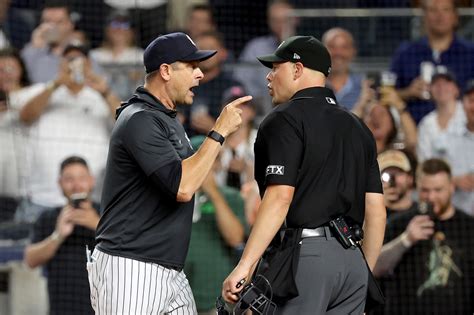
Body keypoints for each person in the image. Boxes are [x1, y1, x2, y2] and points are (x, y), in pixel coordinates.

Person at [87, 32, 251, 314]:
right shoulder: (140, 118)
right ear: (165, 71)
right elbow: (183, 187)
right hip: (130, 266)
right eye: (191, 66)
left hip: (169, 269)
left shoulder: (166, 118)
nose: (200, 74)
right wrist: (220, 130)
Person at [222, 35, 386, 314]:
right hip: (352, 261)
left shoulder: (284, 118)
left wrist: (245, 265)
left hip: (306, 257)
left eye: (276, 68)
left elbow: (280, 196)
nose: (269, 78)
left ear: (297, 69)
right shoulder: (357, 126)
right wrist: (362, 271)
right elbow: (377, 210)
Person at [17, 41, 118, 219]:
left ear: (89, 64)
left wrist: (106, 92)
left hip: (90, 199)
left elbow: (127, 122)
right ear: (60, 63)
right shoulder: (44, 90)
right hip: (42, 197)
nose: (74, 65)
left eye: (79, 60)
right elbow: (25, 116)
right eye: (69, 59)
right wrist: (56, 84)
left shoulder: (100, 97)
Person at [373, 158, 474, 314]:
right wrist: (406, 239)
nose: (431, 197)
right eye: (425, 190)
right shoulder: (399, 224)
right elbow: (374, 268)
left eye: (438, 190)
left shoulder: (468, 227)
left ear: (452, 188)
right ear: (417, 189)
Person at [24, 156, 99, 315]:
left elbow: (134, 249)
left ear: (92, 181)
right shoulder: (49, 218)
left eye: (82, 178)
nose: (77, 185)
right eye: (69, 179)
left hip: (103, 308)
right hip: (62, 309)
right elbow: (30, 260)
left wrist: (97, 224)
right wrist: (58, 235)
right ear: (60, 184)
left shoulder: (109, 213)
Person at [185, 135, 247, 314]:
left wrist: (212, 191)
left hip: (216, 300)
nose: (204, 168)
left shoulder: (231, 197)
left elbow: (235, 238)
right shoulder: (178, 196)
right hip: (178, 297)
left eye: (211, 161)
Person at [390, 0, 474, 123]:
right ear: (423, 16)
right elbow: (386, 95)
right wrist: (409, 92)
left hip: (462, 132)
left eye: (445, 9)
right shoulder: (406, 53)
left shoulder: (470, 53)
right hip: (414, 131)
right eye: (433, 10)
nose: (440, 16)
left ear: (455, 17)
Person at [233, 0, 297, 123]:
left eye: (284, 20)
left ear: (295, 19)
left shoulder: (307, 47)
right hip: (261, 116)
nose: (280, 25)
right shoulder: (256, 47)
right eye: (275, 21)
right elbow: (240, 82)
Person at [439, 80, 474, 216]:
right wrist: (454, 181)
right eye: (471, 100)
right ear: (463, 104)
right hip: (457, 221)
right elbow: (430, 177)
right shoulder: (445, 140)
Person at [417, 70, 466, 161]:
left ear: (457, 89)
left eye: (446, 82)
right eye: (436, 83)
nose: (441, 87)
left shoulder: (469, 114)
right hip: (437, 173)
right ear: (430, 90)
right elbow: (423, 159)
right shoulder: (426, 123)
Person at [322, 27, 364, 111]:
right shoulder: (311, 85)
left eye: (344, 47)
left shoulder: (364, 87)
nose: (338, 52)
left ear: (353, 51)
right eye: (332, 47)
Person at [377, 149, 418, 218]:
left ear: (410, 178)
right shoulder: (369, 217)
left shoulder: (421, 213)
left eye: (398, 173)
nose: (392, 181)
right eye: (386, 174)